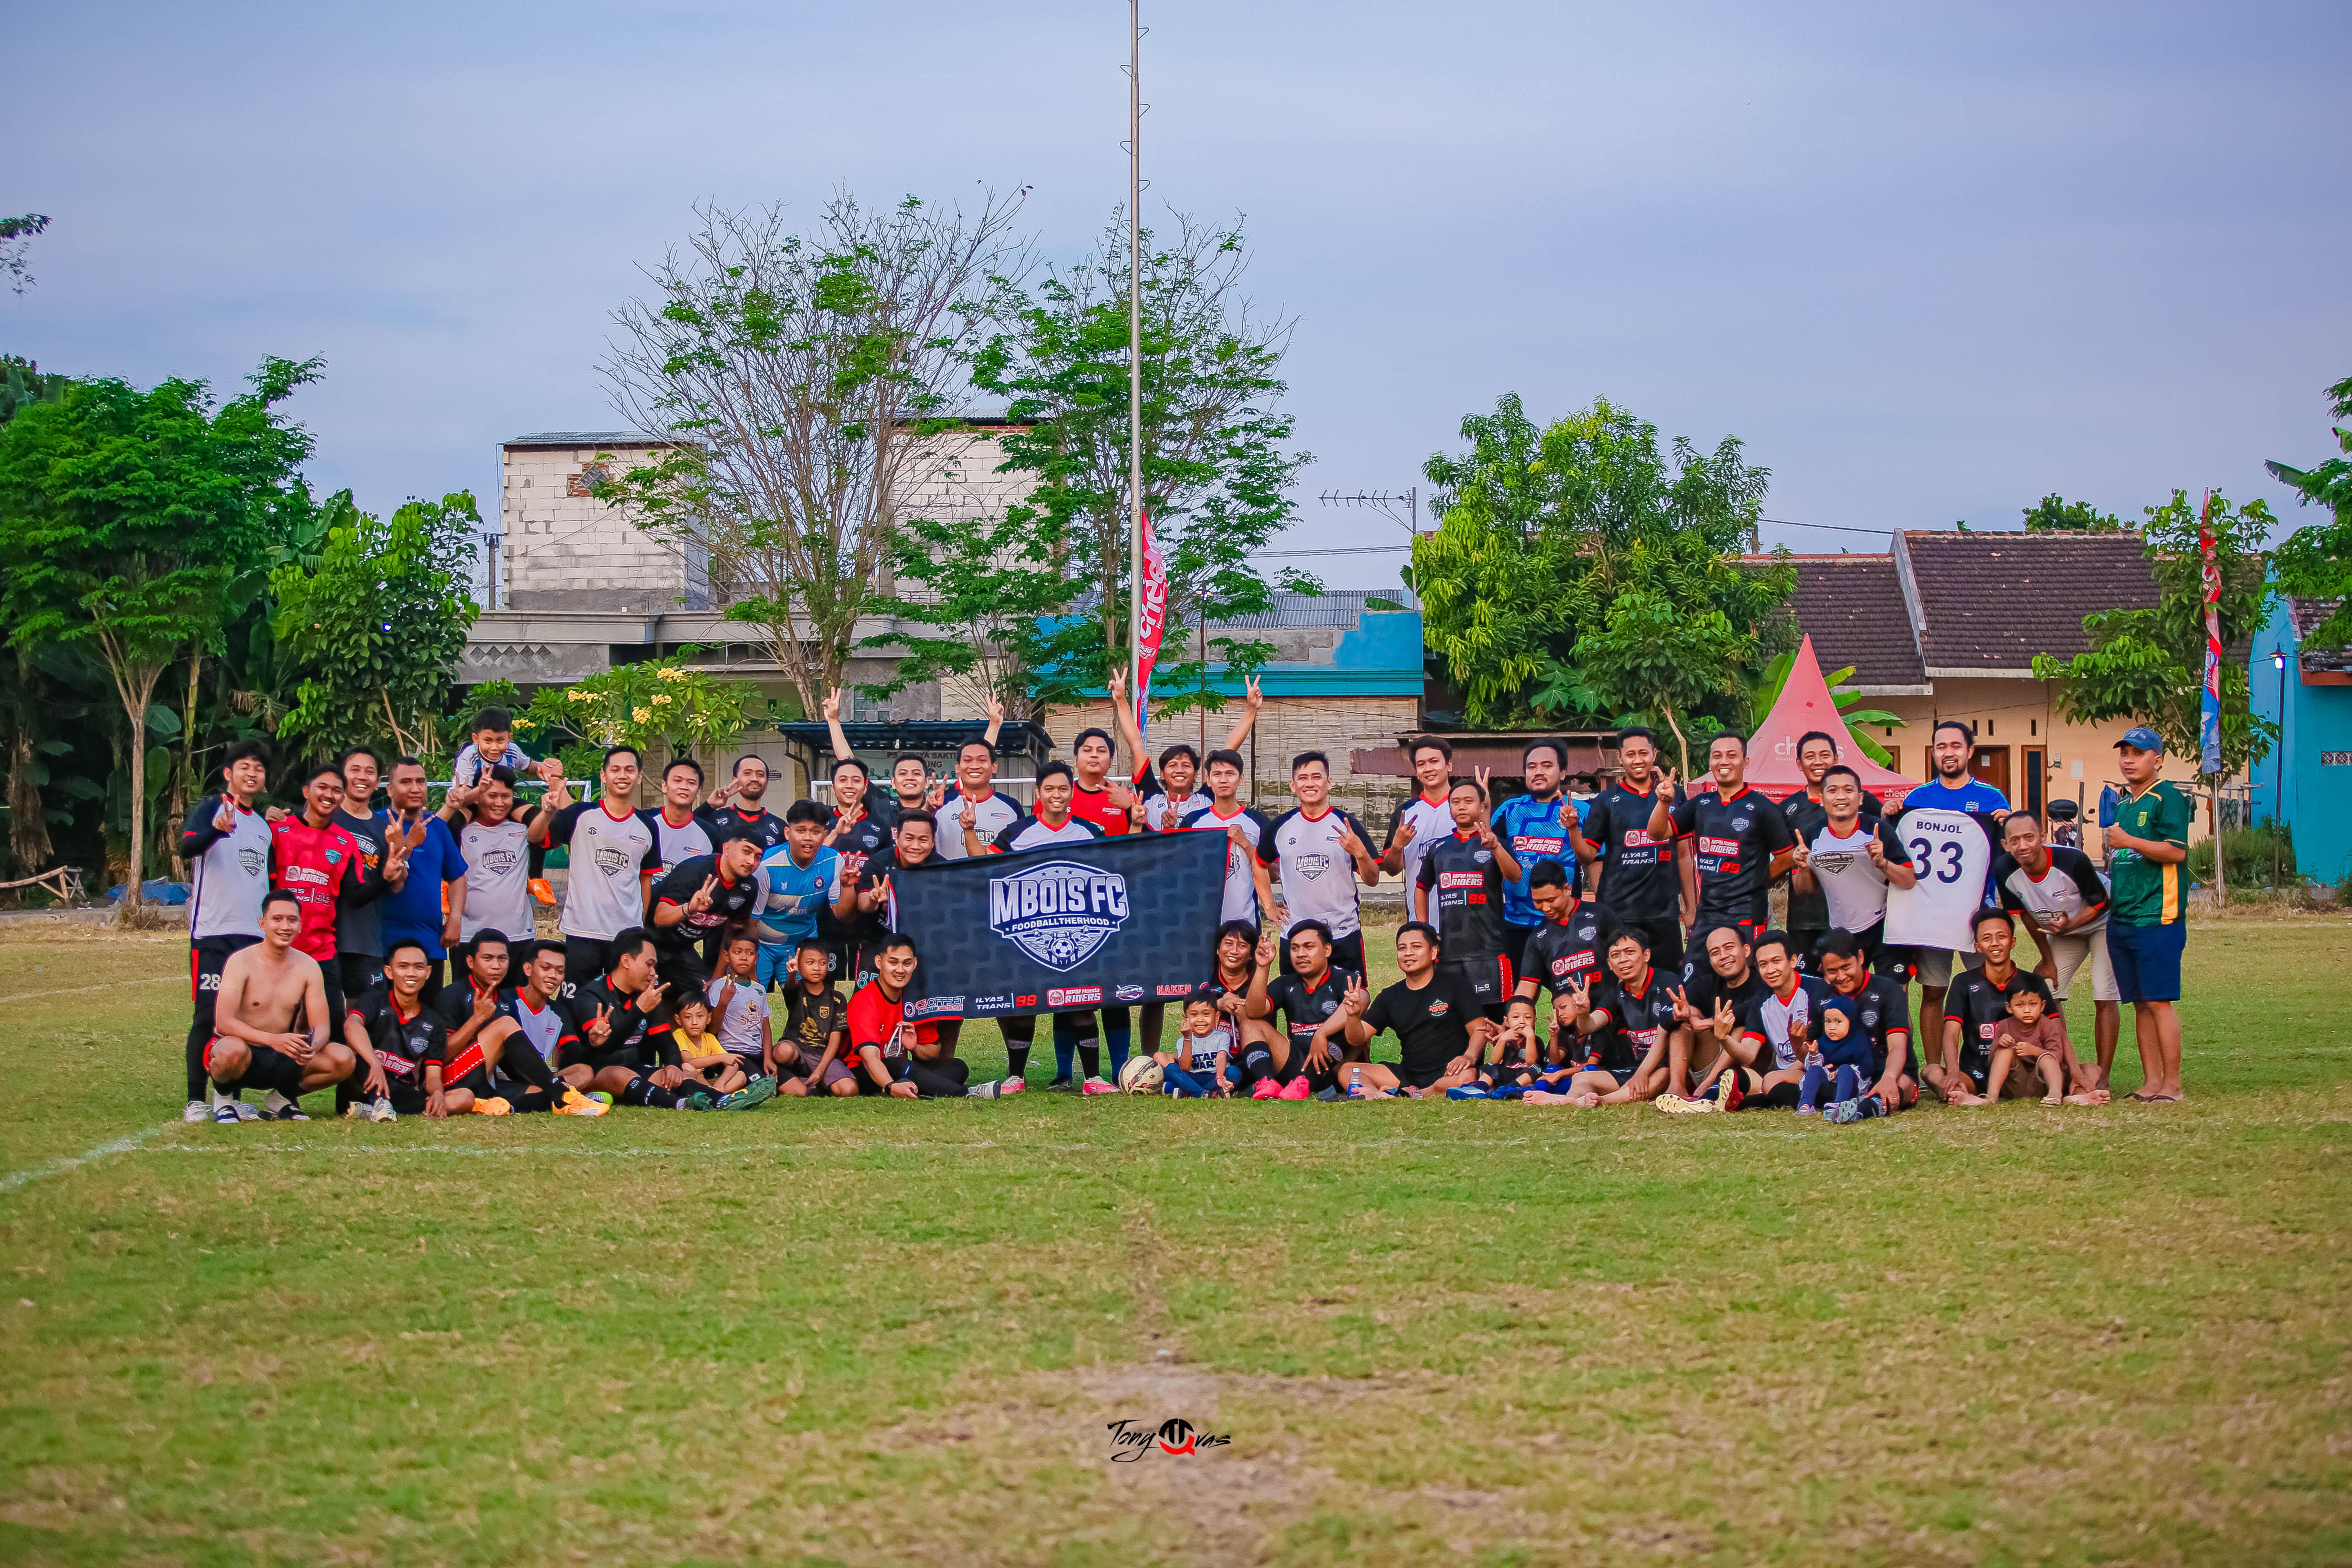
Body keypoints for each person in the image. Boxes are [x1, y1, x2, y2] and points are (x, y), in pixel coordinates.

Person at [981, 760, 1111, 1092]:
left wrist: (1137, 825)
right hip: (1030, 933)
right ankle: (1016, 1077)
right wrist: (969, 832)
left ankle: (1093, 1078)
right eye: (1050, 789)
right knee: (1027, 1004)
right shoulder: (1016, 833)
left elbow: (1115, 869)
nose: (1057, 795)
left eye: (1063, 789)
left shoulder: (1090, 832)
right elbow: (984, 868)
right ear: (1038, 792)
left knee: (1081, 1002)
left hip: (1077, 934)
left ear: (1072, 792)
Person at [1899, 718, 2013, 1068]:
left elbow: (2007, 853)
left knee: (1991, 986)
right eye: (1941, 747)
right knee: (1934, 991)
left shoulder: (1992, 798)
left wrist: (2008, 824)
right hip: (1931, 912)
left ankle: (1990, 1066)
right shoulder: (1917, 799)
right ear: (1933, 753)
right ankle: (1935, 1068)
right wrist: (1891, 815)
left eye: (1955, 746)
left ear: (1970, 751)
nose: (1948, 753)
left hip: (1979, 913)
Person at [1644, 732, 1795, 986]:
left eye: (1732, 756)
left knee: (1746, 987)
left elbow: (1786, 856)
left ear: (1746, 762)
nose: (1724, 762)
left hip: (1746, 915)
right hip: (1708, 915)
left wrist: (1757, 882)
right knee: (1692, 986)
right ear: (1711, 763)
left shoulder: (1763, 808)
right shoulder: (1701, 804)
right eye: (1717, 756)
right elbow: (1657, 833)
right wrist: (1663, 802)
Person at [178, 738, 276, 1122]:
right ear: (228, 774)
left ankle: (229, 1099)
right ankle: (195, 1101)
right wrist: (217, 831)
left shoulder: (264, 827)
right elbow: (186, 849)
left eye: (259, 769)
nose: (252, 774)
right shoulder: (212, 808)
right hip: (214, 934)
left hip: (252, 938)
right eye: (244, 767)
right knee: (208, 1018)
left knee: (243, 1021)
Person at [199, 889, 354, 1123]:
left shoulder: (309, 966)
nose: (285, 927)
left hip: (285, 1056)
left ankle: (281, 1099)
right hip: (245, 1052)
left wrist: (313, 1046)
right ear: (262, 923)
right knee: (229, 1050)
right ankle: (224, 1100)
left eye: (292, 920)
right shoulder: (240, 961)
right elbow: (224, 1022)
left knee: (343, 1058)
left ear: (300, 926)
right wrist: (272, 1040)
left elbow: (322, 1025)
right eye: (277, 919)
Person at [1993, 808, 2121, 1088]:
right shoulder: (2004, 869)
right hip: (2062, 929)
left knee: (2103, 992)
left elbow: (2102, 903)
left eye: (2029, 837)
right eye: (2015, 840)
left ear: (2043, 836)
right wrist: (2047, 958)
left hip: (2102, 922)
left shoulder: (2072, 860)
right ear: (2005, 845)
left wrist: (2070, 924)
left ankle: (2103, 1076)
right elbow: (2025, 914)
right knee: (2047, 992)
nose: (2023, 846)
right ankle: (2062, 1067)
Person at [271, 759, 396, 1034]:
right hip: (282, 947)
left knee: (332, 1030)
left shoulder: (345, 841)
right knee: (279, 1026)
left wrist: (385, 877)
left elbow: (355, 896)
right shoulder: (279, 831)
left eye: (337, 790)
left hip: (323, 950)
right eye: (322, 788)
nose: (329, 795)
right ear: (306, 791)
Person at [2102, 728, 2192, 1102]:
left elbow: (2176, 852)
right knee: (2140, 1003)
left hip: (2158, 916)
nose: (2128, 760)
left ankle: (2173, 1086)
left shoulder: (2168, 797)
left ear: (2158, 759)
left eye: (2138, 753)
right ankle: (2151, 1082)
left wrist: (2128, 841)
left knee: (2158, 1001)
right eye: (2124, 752)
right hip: (2123, 918)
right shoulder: (2123, 805)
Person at [529, 745, 657, 997]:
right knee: (576, 1004)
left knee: (622, 1005)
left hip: (626, 936)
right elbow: (535, 838)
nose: (623, 776)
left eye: (630, 770)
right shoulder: (580, 815)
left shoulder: (647, 826)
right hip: (582, 932)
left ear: (639, 777)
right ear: (603, 776)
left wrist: (640, 926)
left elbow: (645, 879)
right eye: (616, 770)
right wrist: (547, 812)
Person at [429, 930, 599, 1116]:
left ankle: (508, 1103)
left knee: (576, 1075)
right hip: (452, 1082)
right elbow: (439, 1055)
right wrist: (477, 1019)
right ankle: (560, 1094)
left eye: (502, 959)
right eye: (488, 959)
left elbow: (510, 1060)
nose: (496, 966)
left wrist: (538, 1082)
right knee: (505, 1025)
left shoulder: (504, 1001)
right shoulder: (453, 995)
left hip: (489, 1081)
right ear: (471, 962)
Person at [1672, 929, 1828, 1114]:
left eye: (1776, 961)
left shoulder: (1816, 989)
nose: (1770, 970)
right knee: (1735, 1075)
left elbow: (1823, 1046)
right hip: (1780, 1075)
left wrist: (1787, 1071)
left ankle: (1723, 1101)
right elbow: (1748, 1055)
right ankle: (1706, 1100)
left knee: (1772, 1084)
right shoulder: (1762, 1001)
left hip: (1816, 1069)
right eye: (1763, 965)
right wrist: (1724, 1038)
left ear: (1792, 961)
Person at [553, 929, 711, 1109]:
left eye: (654, 967)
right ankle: (679, 1104)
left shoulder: (644, 996)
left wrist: (673, 1065)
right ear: (626, 961)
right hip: (598, 1073)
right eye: (649, 965)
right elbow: (607, 1048)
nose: (653, 973)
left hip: (634, 1069)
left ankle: (722, 1100)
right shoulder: (591, 996)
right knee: (621, 1075)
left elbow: (666, 1042)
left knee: (678, 1074)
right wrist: (639, 1011)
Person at [1259, 751, 1382, 978]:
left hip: (1342, 933)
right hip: (1295, 936)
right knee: (1297, 999)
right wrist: (1269, 907)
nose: (1310, 784)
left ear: (1329, 782)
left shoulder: (1347, 825)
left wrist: (1361, 853)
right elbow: (1259, 863)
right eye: (1303, 778)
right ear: (1293, 786)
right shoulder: (1281, 826)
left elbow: (1373, 879)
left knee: (1352, 997)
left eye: (1317, 777)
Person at [1524, 929, 1677, 1107]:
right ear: (1610, 965)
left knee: (1662, 1075)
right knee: (1582, 1078)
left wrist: (1643, 1073)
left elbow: (1666, 1029)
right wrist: (1583, 1013)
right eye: (1616, 955)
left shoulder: (1667, 982)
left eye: (1630, 952)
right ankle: (1575, 1100)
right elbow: (1590, 1025)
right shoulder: (1616, 994)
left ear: (1646, 955)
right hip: (1635, 1067)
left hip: (1666, 1067)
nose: (1623, 960)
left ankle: (1594, 1101)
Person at [1572, 727, 1686, 963]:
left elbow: (1685, 853)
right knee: (1621, 978)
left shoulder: (1675, 794)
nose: (1638, 760)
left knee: (1668, 979)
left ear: (1654, 754)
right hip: (1619, 912)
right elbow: (1588, 856)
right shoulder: (1606, 801)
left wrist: (1691, 906)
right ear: (1620, 757)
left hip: (1664, 912)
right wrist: (1573, 829)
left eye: (1644, 753)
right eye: (1631, 754)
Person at [1337, 920, 1489, 1098]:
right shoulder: (1390, 996)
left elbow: (1479, 1029)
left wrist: (1469, 1057)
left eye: (1416, 947)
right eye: (1402, 948)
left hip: (1451, 1071)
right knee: (1348, 1070)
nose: (1408, 953)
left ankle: (1403, 1094)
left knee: (1466, 1077)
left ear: (1433, 952)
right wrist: (1353, 1017)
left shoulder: (1455, 984)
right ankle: (1387, 1093)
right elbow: (1358, 1038)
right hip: (1408, 1074)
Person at [1788, 764, 1917, 972]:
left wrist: (1883, 863)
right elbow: (1805, 891)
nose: (1841, 797)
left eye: (1848, 790)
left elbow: (1909, 880)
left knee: (1893, 988)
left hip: (1885, 925)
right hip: (1841, 930)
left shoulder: (1877, 829)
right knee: (1844, 986)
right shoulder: (1811, 835)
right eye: (1833, 791)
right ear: (1821, 799)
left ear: (1861, 798)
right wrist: (1802, 868)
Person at [1413, 776, 1523, 1015]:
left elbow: (1515, 876)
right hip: (1449, 953)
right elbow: (1422, 887)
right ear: (1450, 809)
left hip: (1490, 951)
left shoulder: (1495, 843)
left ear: (1482, 806)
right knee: (1453, 1021)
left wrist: (1496, 849)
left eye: (1468, 801)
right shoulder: (1439, 849)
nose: (1461, 806)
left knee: (1496, 1022)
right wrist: (1425, 929)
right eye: (1456, 802)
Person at [845, 934, 1003, 1098]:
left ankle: (911, 1087)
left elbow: (934, 1052)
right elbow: (870, 1058)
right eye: (893, 962)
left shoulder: (913, 999)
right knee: (898, 1064)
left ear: (915, 964)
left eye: (907, 963)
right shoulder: (865, 1000)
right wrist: (890, 1086)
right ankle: (968, 1093)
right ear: (879, 962)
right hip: (863, 1071)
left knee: (958, 1067)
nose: (900, 970)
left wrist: (915, 1048)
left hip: (902, 1070)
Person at [1777, 731, 1885, 971]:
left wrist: (1890, 810)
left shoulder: (1863, 802)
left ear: (1836, 759)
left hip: (1855, 919)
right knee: (1808, 985)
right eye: (1810, 756)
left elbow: (1889, 835)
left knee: (1852, 982)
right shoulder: (1787, 810)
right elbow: (1781, 861)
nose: (1818, 762)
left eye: (1825, 755)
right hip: (1806, 919)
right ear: (1799, 763)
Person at [1108, 668, 1262, 830]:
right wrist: (1121, 700)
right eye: (1173, 765)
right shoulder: (1149, 797)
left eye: (1187, 766)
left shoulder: (1206, 799)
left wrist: (1252, 710)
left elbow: (1229, 749)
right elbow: (1136, 744)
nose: (1180, 770)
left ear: (1196, 774)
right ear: (1162, 774)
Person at [1933, 910, 2059, 1105]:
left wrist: (2074, 1071)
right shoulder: (1963, 982)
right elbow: (1951, 1033)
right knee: (1931, 1072)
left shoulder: (2033, 983)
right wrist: (1952, 1072)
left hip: (2021, 1069)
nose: (1995, 944)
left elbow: (2057, 1030)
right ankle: (1961, 1092)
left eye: (2002, 937)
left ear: (2013, 942)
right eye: (1987, 939)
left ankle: (1962, 1095)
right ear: (1977, 947)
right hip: (1976, 1071)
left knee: (2089, 1071)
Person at [376, 756, 468, 1001]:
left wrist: (455, 919)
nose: (416, 788)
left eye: (421, 782)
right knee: (384, 1016)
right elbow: (390, 880)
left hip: (430, 943)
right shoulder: (376, 824)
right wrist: (408, 844)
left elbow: (458, 877)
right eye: (406, 782)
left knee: (428, 1015)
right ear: (390, 789)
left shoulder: (437, 827)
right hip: (383, 942)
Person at [1491, 738, 1584, 976]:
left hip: (1565, 921)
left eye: (1547, 765)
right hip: (1516, 922)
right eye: (1532, 767)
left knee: (1571, 992)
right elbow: (1486, 846)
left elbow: (1596, 860)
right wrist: (1482, 807)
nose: (1538, 772)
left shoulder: (1582, 811)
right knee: (1518, 994)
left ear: (1563, 772)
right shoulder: (1510, 809)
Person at [648, 826, 765, 1002]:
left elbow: (731, 934)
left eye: (758, 857)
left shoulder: (749, 887)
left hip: (681, 948)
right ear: (727, 849)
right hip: (648, 939)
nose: (751, 861)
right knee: (648, 995)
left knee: (706, 995)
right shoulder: (694, 870)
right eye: (746, 852)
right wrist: (689, 909)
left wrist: (716, 978)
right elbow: (659, 918)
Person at [1514, 862, 1624, 1049]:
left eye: (1551, 900)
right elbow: (1527, 986)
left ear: (1567, 889)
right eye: (1538, 902)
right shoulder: (1538, 938)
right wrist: (1512, 1017)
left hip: (1610, 1016)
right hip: (1570, 1031)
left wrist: (1624, 1003)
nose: (1545, 908)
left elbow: (1626, 960)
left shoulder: (1600, 915)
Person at [1246, 920, 1359, 1099]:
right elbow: (1254, 1012)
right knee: (1250, 1023)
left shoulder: (1342, 978)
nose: (1301, 954)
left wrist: (1322, 1033)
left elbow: (1362, 1000)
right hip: (1295, 1061)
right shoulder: (1286, 983)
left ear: (1327, 950)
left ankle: (1308, 1082)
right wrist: (1263, 967)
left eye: (1309, 947)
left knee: (1352, 1014)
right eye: (1295, 948)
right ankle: (1267, 1082)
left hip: (1331, 1067)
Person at [1814, 928, 1919, 1115]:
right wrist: (1798, 1042)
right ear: (1823, 970)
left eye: (1846, 967)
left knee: (1901, 1085)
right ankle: (1845, 1101)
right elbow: (1813, 1051)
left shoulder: (1889, 990)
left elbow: (1897, 1045)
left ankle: (1867, 1108)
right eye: (1832, 971)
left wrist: (1889, 1077)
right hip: (1844, 1073)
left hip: (1887, 1069)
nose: (1841, 977)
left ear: (1860, 958)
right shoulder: (1821, 997)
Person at [329, 746, 394, 1038]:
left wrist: (401, 849)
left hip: (364, 937)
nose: (362, 777)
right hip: (323, 935)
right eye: (355, 770)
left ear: (378, 782)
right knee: (321, 1017)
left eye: (370, 772)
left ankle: (357, 1069)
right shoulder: (325, 816)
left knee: (364, 1020)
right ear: (342, 776)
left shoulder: (384, 828)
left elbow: (395, 881)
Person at [1669, 924, 1769, 1104]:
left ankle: (1705, 1088)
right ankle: (1676, 1088)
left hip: (1750, 1069)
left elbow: (1754, 1006)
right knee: (1683, 1024)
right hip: (1713, 1059)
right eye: (1715, 953)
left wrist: (1708, 1023)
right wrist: (1688, 1014)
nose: (1723, 956)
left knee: (1740, 1028)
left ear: (1746, 950)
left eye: (1729, 948)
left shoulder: (1763, 981)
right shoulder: (1707, 983)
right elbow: (1687, 1008)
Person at [1177, 750, 1278, 927]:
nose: (1223, 780)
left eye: (1230, 774)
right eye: (1217, 774)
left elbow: (1274, 875)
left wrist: (1246, 845)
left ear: (1241, 778)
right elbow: (1179, 869)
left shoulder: (1258, 822)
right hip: (1201, 922)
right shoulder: (1193, 822)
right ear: (1209, 780)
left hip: (1245, 922)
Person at [752, 800, 842, 991]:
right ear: (787, 833)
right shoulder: (767, 865)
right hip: (762, 945)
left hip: (801, 945)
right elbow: (751, 920)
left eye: (816, 832)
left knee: (804, 1003)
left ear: (825, 835)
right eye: (801, 831)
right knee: (751, 1000)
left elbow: (840, 912)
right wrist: (751, 953)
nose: (808, 838)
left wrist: (849, 887)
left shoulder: (834, 861)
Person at [446, 766, 534, 946]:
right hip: (469, 935)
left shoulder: (523, 830)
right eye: (492, 796)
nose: (499, 803)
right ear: (478, 797)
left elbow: (545, 833)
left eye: (506, 796)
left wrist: (550, 809)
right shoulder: (461, 831)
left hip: (518, 935)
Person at [767, 938, 858, 1097]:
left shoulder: (837, 998)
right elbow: (791, 986)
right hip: (796, 1050)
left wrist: (821, 1071)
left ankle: (816, 1083)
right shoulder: (796, 991)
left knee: (849, 1090)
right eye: (810, 963)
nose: (817, 968)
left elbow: (835, 1039)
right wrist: (792, 974)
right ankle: (786, 1077)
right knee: (783, 1052)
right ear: (800, 965)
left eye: (822, 963)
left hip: (823, 1056)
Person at [1379, 736, 1459, 900]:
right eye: (1421, 764)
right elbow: (1392, 870)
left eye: (1434, 762)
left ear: (1449, 765)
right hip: (1419, 911)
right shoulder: (1404, 814)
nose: (1428, 769)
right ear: (1416, 772)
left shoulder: (1466, 808)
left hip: (1464, 910)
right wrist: (1397, 847)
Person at [931, 719, 1019, 862]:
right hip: (949, 877)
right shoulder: (940, 804)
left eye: (982, 760)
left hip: (996, 877)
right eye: (968, 760)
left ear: (994, 767)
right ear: (957, 767)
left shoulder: (1012, 807)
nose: (974, 766)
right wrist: (928, 808)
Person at [1974, 984, 2072, 1107]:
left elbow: (2057, 1057)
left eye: (2033, 1004)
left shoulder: (2047, 1025)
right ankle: (1992, 1096)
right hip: (2015, 1084)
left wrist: (2034, 1051)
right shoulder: (2004, 1026)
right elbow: (1990, 1061)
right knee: (2005, 1051)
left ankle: (2055, 1095)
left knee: (2047, 1057)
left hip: (2042, 1084)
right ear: (2009, 1007)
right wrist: (1999, 1043)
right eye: (2020, 1005)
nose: (2027, 1010)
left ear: (2042, 1006)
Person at [670, 993, 774, 1105]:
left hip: (706, 1083)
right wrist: (721, 1058)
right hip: (685, 1081)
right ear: (679, 1020)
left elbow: (732, 1064)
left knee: (741, 1076)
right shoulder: (679, 1035)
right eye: (688, 1017)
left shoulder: (709, 1038)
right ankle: (723, 1097)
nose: (695, 1022)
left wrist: (720, 1083)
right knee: (688, 1067)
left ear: (708, 1018)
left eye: (700, 1017)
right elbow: (689, 1062)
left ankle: (717, 1095)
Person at [704, 933, 775, 1083]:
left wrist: (768, 1058)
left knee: (785, 1085)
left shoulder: (760, 989)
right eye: (738, 952)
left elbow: (766, 1027)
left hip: (757, 1052)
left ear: (756, 958)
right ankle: (720, 1084)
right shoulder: (719, 986)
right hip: (732, 1052)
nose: (744, 958)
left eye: (750, 954)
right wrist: (724, 1002)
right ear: (727, 956)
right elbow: (713, 1029)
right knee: (761, 1084)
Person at [1795, 994, 1877, 1120]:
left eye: (1838, 1022)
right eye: (1828, 1022)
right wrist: (1814, 1056)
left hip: (1851, 1086)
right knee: (1815, 1070)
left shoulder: (1859, 1042)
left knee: (1845, 1069)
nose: (1832, 1027)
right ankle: (1806, 1105)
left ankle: (1840, 1105)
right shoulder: (1823, 1042)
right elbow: (1815, 1068)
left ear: (1851, 1021)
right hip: (1829, 1085)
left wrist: (1845, 1071)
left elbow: (1868, 1068)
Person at [698, 754, 788, 855]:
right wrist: (709, 806)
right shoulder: (715, 820)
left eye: (761, 775)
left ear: (767, 784)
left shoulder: (780, 827)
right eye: (747, 773)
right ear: (735, 781)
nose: (755, 779)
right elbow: (688, 829)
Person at [642, 757, 716, 875]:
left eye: (691, 783)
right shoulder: (643, 821)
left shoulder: (711, 835)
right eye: (678, 781)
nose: (684, 787)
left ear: (699, 792)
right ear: (664, 786)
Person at [1156, 992, 1235, 1098]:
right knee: (1171, 1069)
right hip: (1193, 1076)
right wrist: (1187, 1038)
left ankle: (1189, 1092)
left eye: (1206, 1014)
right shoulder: (1182, 1041)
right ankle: (1204, 1094)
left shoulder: (1222, 1036)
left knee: (1234, 1072)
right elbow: (1185, 1067)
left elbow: (1221, 1057)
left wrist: (1220, 1077)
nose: (1200, 1020)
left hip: (1214, 1076)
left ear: (1217, 1017)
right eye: (1194, 1015)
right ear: (1186, 1018)